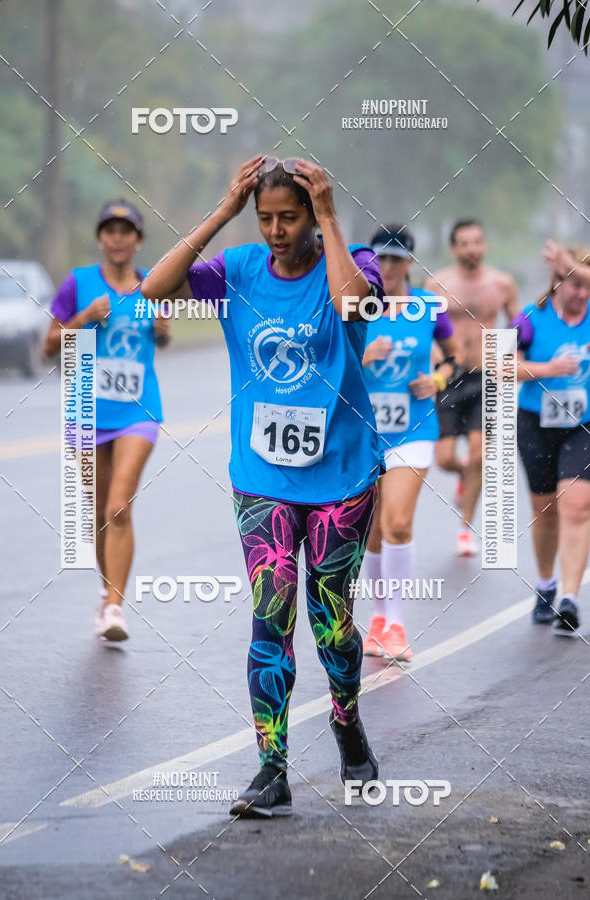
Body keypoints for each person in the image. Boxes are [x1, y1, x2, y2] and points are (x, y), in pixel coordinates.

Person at [142, 154, 383, 818]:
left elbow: (351, 305)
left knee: (331, 623)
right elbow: (153, 292)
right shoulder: (239, 270)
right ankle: (271, 769)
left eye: (291, 217)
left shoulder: (351, 257)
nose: (277, 231)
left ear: (312, 214)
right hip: (263, 478)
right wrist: (222, 212)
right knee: (270, 617)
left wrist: (332, 216)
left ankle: (345, 717)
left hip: (342, 476)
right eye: (266, 218)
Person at [44, 200, 170, 641]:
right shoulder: (78, 284)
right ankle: (107, 593)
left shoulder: (152, 287)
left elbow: (164, 335)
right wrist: (81, 319)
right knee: (99, 513)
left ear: (138, 240)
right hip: (85, 410)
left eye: (127, 230)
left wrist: (161, 328)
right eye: (110, 230)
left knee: (119, 506)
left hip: (138, 411)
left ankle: (115, 608)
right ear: (100, 237)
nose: (118, 237)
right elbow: (48, 345)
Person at [361, 225, 457, 661]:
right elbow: (327, 359)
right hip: (365, 433)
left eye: (397, 260)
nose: (388, 268)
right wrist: (364, 356)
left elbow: (456, 358)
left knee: (397, 522)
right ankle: (378, 619)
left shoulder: (428, 307)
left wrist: (435, 379)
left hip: (414, 430)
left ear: (410, 263)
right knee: (373, 528)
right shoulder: (355, 305)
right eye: (381, 259)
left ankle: (396, 624)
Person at [425, 219, 519, 556]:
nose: (471, 249)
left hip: (486, 377)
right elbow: (426, 331)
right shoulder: (436, 284)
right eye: (464, 243)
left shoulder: (502, 283)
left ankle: (465, 528)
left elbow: (519, 326)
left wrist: (514, 359)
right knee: (445, 458)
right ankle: (463, 477)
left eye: (477, 242)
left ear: (485, 245)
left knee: (480, 454)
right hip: (449, 377)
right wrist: (436, 361)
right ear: (454, 248)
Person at [512, 245, 590, 634]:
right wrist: (547, 368)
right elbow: (497, 362)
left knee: (576, 505)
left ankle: (570, 599)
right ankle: (546, 585)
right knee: (545, 511)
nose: (582, 294)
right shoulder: (531, 317)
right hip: (536, 424)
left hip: (583, 426)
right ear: (558, 282)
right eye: (575, 284)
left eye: (586, 286)